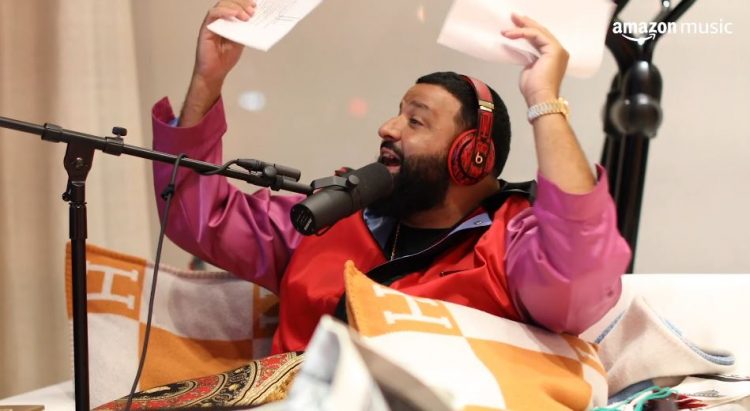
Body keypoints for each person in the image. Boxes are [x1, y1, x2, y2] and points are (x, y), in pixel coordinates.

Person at [151, 0, 631, 354]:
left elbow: (576, 280)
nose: (387, 128)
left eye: (415, 120)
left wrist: (544, 98)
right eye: (397, 113)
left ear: (472, 156)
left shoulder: (512, 248)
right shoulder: (331, 218)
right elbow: (198, 217)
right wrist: (208, 80)